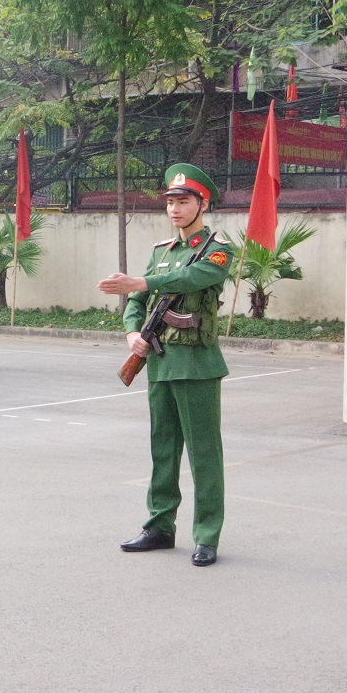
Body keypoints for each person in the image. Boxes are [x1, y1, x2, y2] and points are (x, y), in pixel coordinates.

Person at [101, 164, 238, 568]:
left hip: (196, 364)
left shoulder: (217, 247)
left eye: (184, 201)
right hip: (160, 363)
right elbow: (137, 306)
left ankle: (207, 535)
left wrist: (140, 284)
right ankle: (160, 526)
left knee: (203, 453)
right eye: (171, 202)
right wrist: (132, 335)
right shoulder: (161, 252)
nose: (175, 209)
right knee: (163, 449)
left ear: (203, 204)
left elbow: (195, 278)